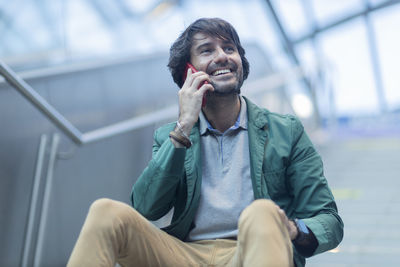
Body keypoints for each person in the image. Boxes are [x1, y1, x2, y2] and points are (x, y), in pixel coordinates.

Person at [67, 18, 343, 267]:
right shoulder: (170, 136)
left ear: (241, 63)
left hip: (252, 252)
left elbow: (328, 218)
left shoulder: (286, 130)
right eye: (207, 50)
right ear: (188, 71)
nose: (222, 56)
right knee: (105, 212)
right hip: (184, 254)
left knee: (261, 212)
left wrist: (293, 229)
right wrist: (183, 128)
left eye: (229, 48)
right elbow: (146, 208)